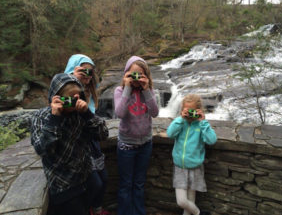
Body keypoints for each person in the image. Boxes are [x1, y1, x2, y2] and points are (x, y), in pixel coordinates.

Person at [31, 73, 107, 215]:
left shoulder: (81, 113)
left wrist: (87, 114)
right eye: (68, 99)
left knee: (91, 197)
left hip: (85, 175)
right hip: (63, 183)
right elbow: (43, 150)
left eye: (76, 97)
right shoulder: (41, 117)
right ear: (56, 97)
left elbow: (103, 134)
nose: (72, 102)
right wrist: (55, 119)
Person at [64, 54, 110, 215]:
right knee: (94, 184)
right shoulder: (67, 91)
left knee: (103, 180)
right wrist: (71, 78)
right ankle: (89, 209)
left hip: (91, 143)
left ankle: (96, 209)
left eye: (90, 72)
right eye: (83, 70)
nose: (87, 75)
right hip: (77, 147)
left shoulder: (90, 94)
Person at [114, 56, 159, 215]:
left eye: (140, 75)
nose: (136, 78)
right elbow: (119, 113)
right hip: (126, 146)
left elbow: (154, 112)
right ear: (126, 75)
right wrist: (127, 88)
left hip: (145, 144)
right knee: (126, 184)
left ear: (146, 76)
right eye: (132, 75)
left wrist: (146, 90)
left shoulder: (150, 91)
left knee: (139, 183)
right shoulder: (120, 91)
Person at [166, 94, 217, 215]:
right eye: (187, 110)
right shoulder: (180, 123)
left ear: (198, 110)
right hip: (180, 167)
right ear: (182, 110)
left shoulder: (201, 125)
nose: (190, 113)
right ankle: (199, 213)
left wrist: (203, 122)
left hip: (195, 168)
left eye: (192, 110)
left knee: (189, 202)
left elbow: (212, 140)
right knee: (182, 201)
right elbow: (170, 133)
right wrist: (180, 118)